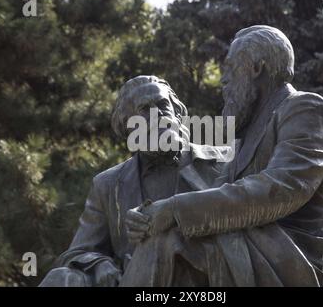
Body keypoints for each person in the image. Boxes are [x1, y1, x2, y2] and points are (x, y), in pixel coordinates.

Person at [125, 26, 323, 286]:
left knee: (166, 244)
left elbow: (280, 190)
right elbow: (220, 193)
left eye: (230, 68)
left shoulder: (305, 108)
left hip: (302, 255)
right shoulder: (246, 133)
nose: (223, 80)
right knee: (167, 240)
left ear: (257, 69)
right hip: (257, 244)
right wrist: (149, 213)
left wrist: (174, 209)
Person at [39, 75, 230, 286]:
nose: (157, 115)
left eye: (162, 105)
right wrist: (100, 264)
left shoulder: (223, 163)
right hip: (136, 281)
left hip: (203, 281)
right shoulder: (108, 185)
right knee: (61, 278)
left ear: (177, 112)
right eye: (144, 110)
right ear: (129, 127)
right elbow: (78, 252)